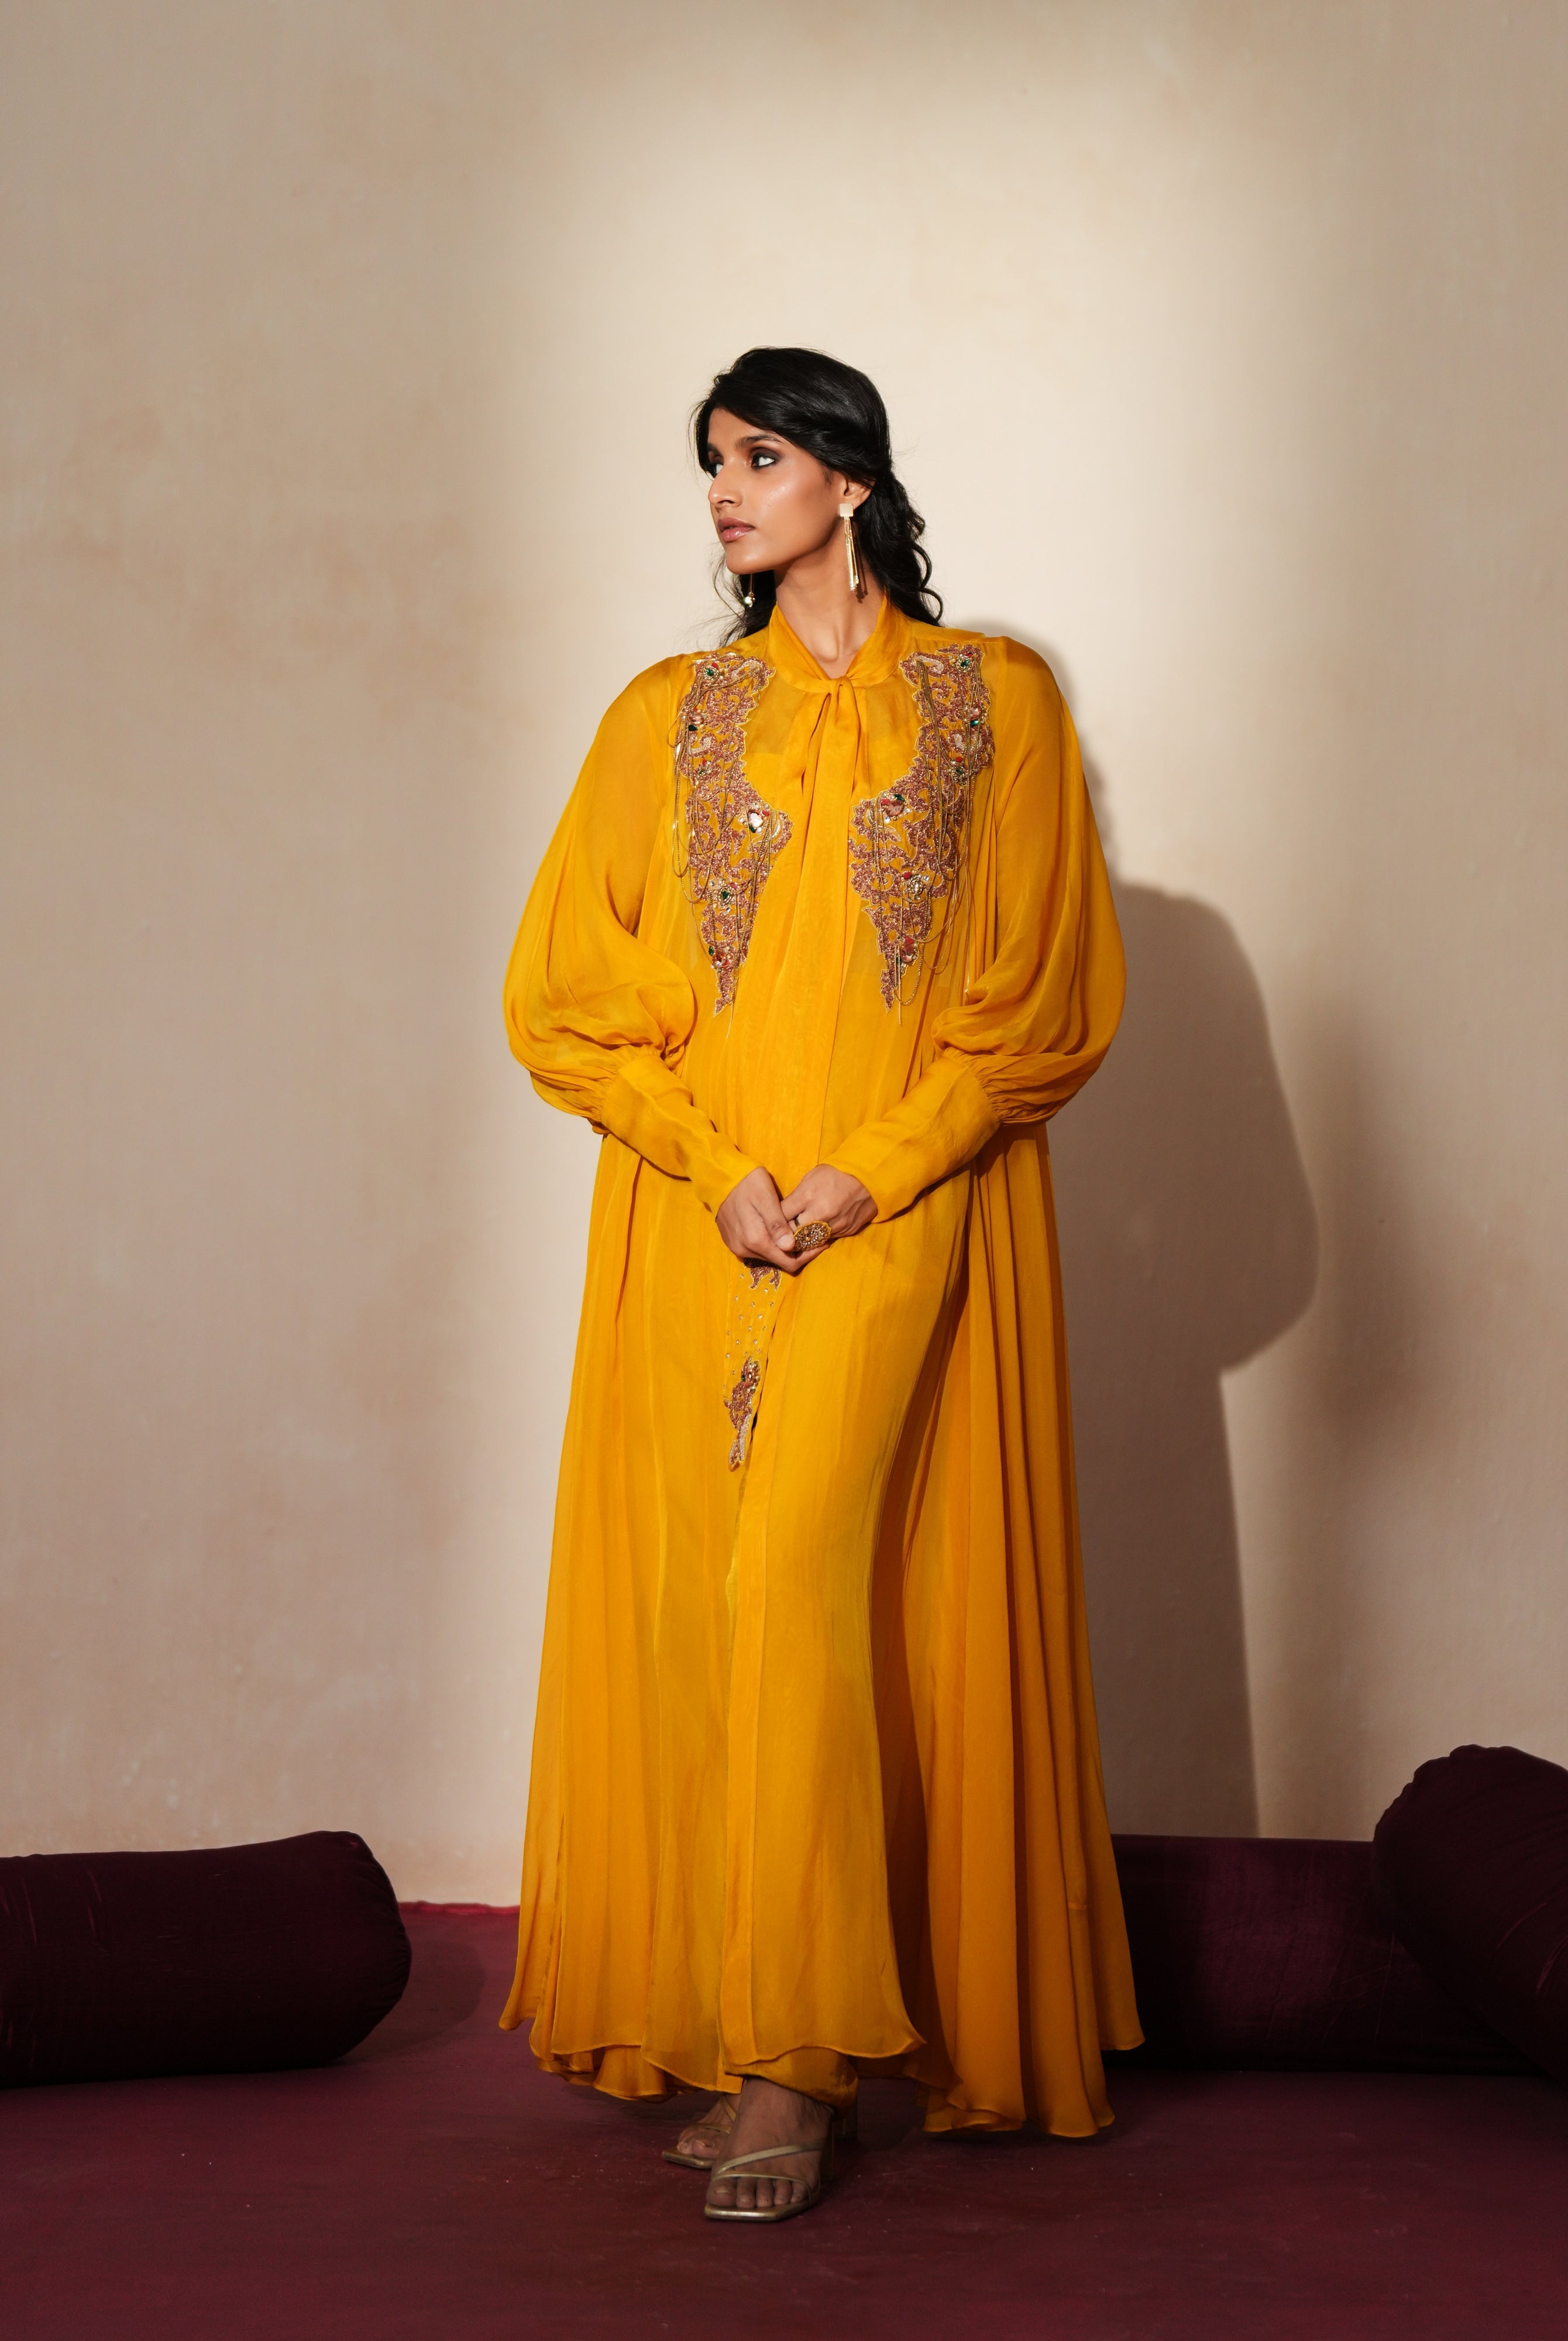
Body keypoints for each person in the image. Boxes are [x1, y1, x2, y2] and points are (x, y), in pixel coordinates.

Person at [500, 347, 1140, 2224]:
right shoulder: (663, 715)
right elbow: (565, 992)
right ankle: (763, 2025)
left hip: (902, 1206)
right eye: (710, 462)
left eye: (759, 456)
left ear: (848, 479)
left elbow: (1045, 996)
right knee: (726, 1612)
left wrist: (882, 1163)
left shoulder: (993, 701)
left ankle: (794, 2069)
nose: (722, 490)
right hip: (715, 1222)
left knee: (798, 1583)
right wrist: (718, 1168)